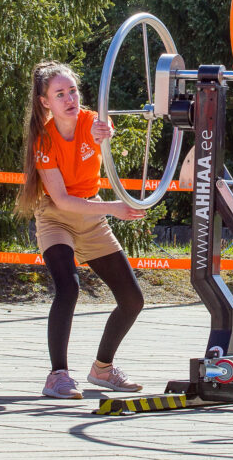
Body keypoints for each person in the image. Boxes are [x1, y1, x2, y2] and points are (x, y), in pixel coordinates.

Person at [16, 60, 147, 399]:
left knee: (132, 299)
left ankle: (102, 368)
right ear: (45, 101)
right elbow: (61, 201)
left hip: (91, 216)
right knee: (68, 288)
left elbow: (103, 130)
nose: (70, 98)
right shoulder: (43, 140)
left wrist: (106, 133)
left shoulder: (92, 121)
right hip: (57, 217)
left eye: (72, 90)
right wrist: (116, 208)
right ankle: (57, 375)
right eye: (60, 94)